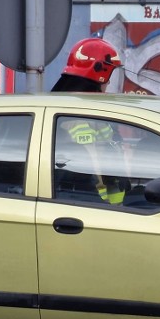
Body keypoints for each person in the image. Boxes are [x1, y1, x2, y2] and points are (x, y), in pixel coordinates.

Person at [52, 38, 127, 203]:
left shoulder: (79, 105)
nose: (108, 82)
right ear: (99, 73)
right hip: (90, 202)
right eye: (109, 75)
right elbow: (91, 156)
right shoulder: (77, 113)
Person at [50, 37, 122, 93]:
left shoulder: (57, 97)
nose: (108, 82)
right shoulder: (89, 108)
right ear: (100, 71)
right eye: (109, 76)